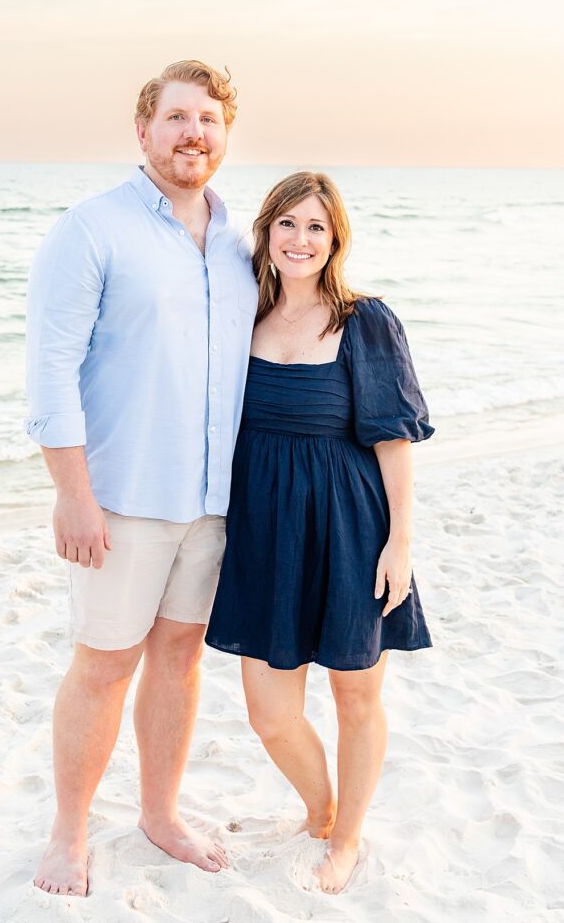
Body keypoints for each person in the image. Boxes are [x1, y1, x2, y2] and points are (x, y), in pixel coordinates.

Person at [25, 60, 258, 897]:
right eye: (176, 117)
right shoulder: (91, 228)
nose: (193, 132)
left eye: (208, 120)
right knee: (102, 665)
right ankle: (68, 833)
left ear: (224, 135)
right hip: (121, 501)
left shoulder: (241, 244)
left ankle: (159, 815)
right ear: (143, 129)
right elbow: (50, 370)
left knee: (179, 659)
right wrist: (71, 493)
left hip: (212, 504)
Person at [205, 170, 434, 895]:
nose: (300, 239)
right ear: (265, 232)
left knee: (354, 695)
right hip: (265, 530)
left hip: (349, 525)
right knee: (269, 713)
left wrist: (398, 543)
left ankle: (345, 836)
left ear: (334, 238)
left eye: (316, 227)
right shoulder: (242, 314)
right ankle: (319, 806)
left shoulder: (365, 320)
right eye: (288, 224)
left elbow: (393, 441)